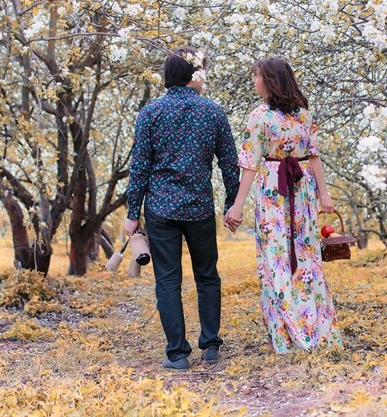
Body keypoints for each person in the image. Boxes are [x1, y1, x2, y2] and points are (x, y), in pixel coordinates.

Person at [125, 47, 240, 370]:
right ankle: (211, 345)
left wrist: (133, 213)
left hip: (161, 209)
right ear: (194, 75)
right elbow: (229, 164)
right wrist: (232, 203)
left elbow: (140, 168)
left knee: (167, 281)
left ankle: (177, 353)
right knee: (207, 276)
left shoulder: (150, 114)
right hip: (199, 207)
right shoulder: (213, 113)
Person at [224, 58, 343, 354]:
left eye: (257, 76)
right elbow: (313, 156)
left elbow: (251, 165)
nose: (254, 81)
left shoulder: (263, 116)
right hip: (298, 191)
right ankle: (310, 329)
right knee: (302, 257)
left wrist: (237, 207)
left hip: (277, 192)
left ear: (271, 81)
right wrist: (323, 195)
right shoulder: (302, 114)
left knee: (279, 259)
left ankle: (291, 335)